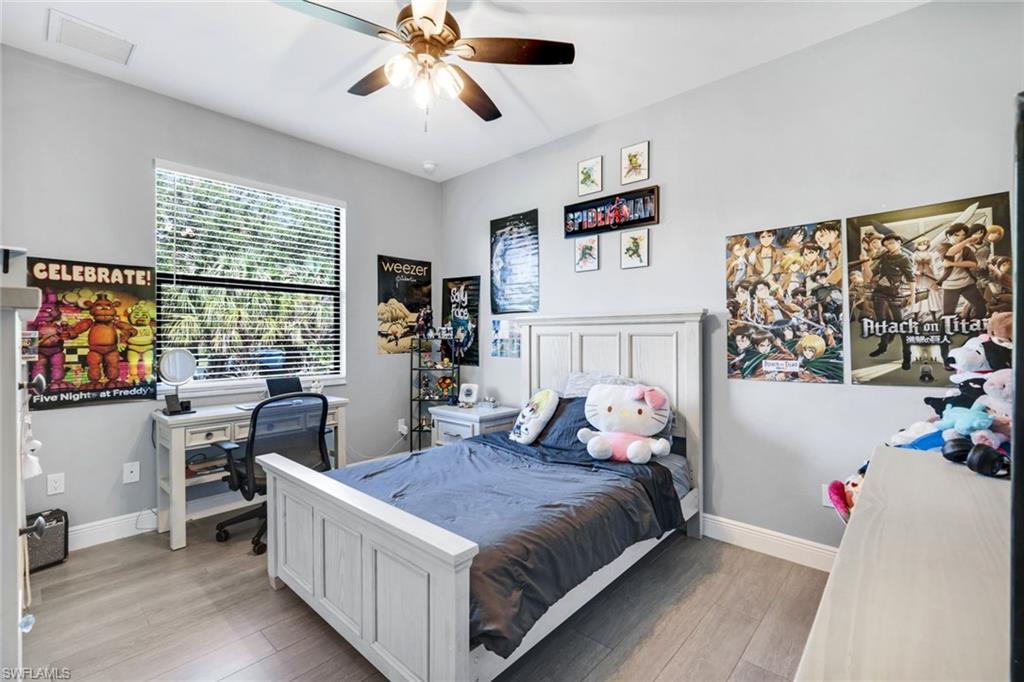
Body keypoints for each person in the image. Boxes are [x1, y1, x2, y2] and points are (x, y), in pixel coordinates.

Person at [868, 234, 914, 370]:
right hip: (879, 292)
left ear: (899, 242)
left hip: (894, 293)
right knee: (881, 322)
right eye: (886, 245)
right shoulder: (884, 257)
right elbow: (872, 272)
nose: (889, 246)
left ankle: (907, 356)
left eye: (892, 243)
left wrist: (912, 296)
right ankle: (882, 347)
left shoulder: (904, 258)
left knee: (900, 324)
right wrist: (867, 263)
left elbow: (911, 278)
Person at [939, 223, 987, 319]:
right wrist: (967, 240)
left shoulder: (966, 249)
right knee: (948, 314)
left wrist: (952, 264)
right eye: (956, 235)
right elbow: (950, 252)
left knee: (981, 307)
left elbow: (973, 264)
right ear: (948, 236)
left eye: (963, 235)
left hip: (967, 282)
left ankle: (973, 325)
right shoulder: (943, 246)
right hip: (950, 285)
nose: (960, 238)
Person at [910, 237, 941, 321]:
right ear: (917, 245)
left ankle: (934, 316)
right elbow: (912, 266)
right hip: (918, 276)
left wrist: (936, 276)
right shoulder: (914, 255)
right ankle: (916, 316)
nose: (922, 246)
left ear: (927, 245)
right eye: (920, 244)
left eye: (924, 244)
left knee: (931, 293)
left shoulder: (930, 254)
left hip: (929, 275)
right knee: (919, 294)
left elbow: (933, 265)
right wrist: (915, 272)